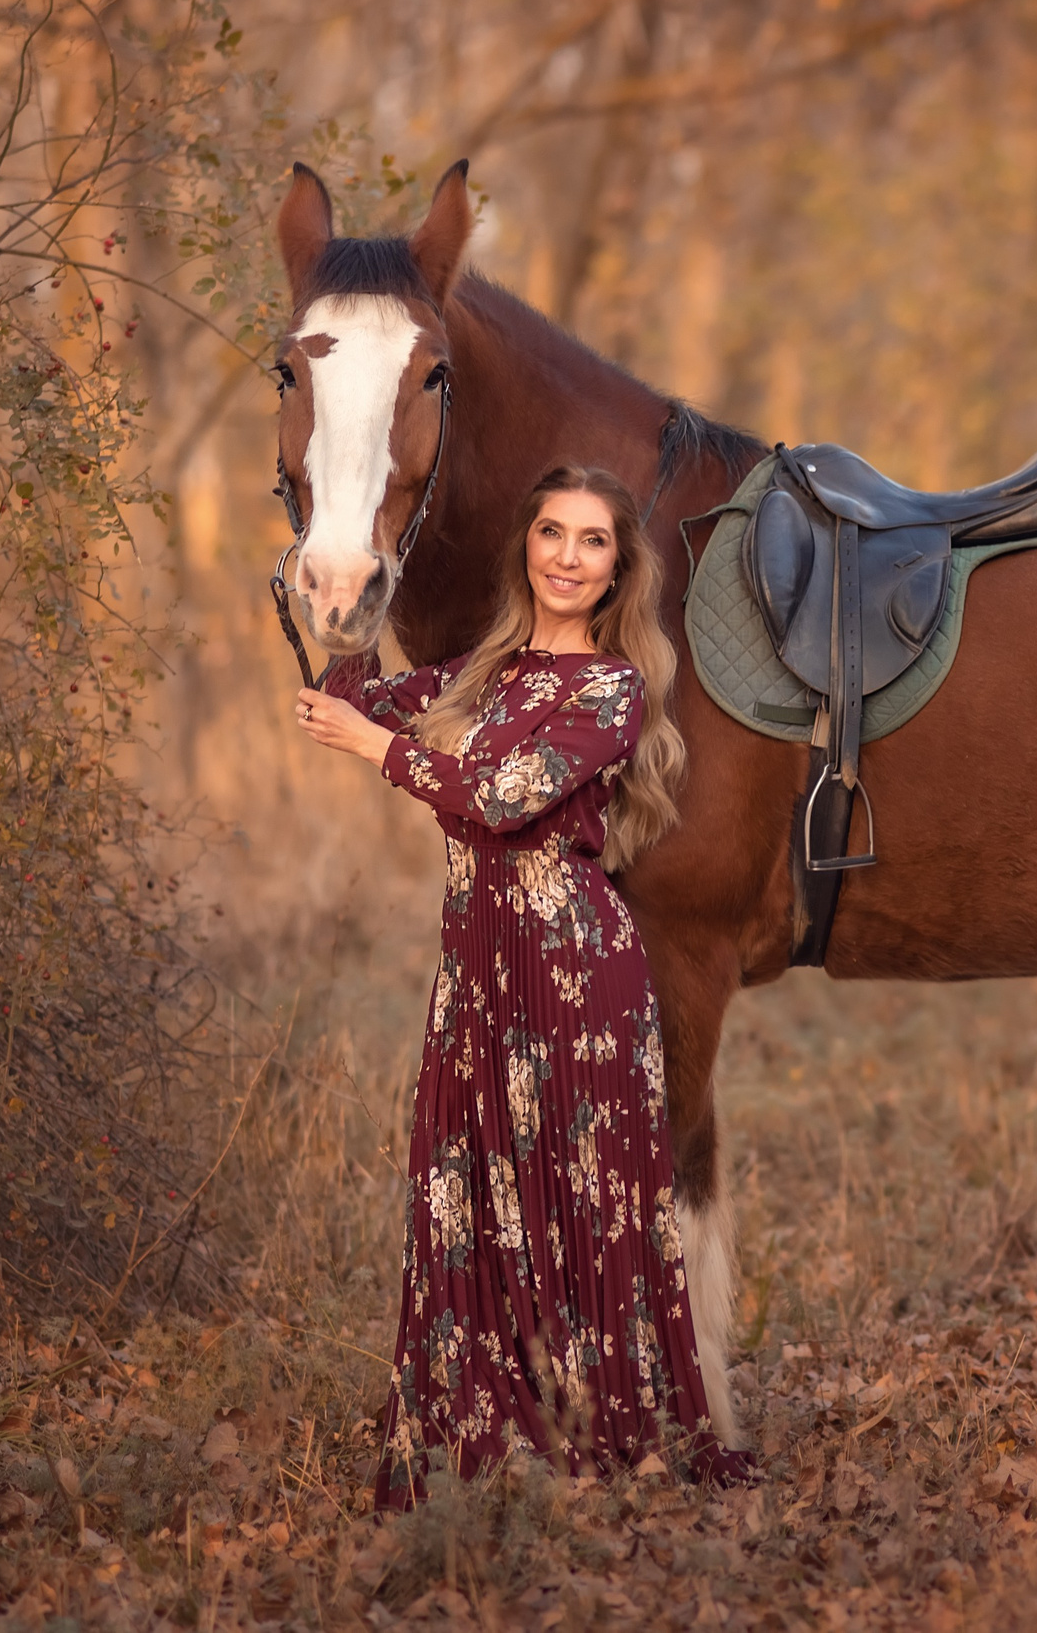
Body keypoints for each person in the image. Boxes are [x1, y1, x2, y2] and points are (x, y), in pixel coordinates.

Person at [294, 465, 753, 1500]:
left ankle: (601, 1429)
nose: (566, 556)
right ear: (527, 549)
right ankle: (484, 1421)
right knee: (474, 1194)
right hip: (479, 978)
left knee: (577, 1206)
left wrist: (376, 747)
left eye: (592, 542)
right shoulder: (481, 677)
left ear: (616, 570)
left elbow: (505, 799)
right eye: (551, 533)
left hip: (576, 980)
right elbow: (349, 695)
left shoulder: (611, 690)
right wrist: (343, 590)